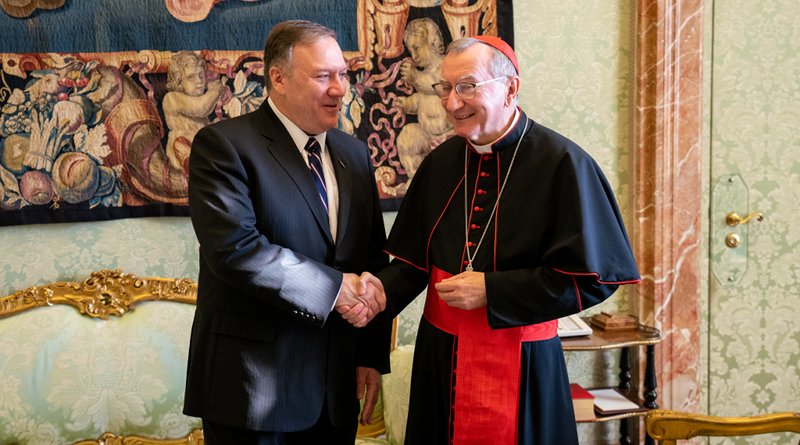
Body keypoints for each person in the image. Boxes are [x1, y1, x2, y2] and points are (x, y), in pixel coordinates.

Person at [371, 36, 641, 445]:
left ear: (510, 87)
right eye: (445, 88)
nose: (451, 103)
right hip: (442, 359)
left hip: (524, 362)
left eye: (467, 86)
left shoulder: (563, 164)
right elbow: (411, 263)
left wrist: (493, 290)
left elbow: (594, 279)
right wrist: (370, 297)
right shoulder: (441, 162)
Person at [183, 20, 390, 445]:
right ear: (277, 77)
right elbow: (236, 251)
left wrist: (369, 356)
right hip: (254, 392)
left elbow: (370, 259)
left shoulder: (354, 153)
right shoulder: (224, 146)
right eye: (323, 76)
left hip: (335, 393)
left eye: (342, 75)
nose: (339, 89)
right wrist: (336, 290)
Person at [162, 51, 226, 173]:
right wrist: (214, 92)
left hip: (200, 149)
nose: (199, 81)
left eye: (201, 75)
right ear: (179, 81)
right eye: (191, 77)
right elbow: (201, 108)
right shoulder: (172, 98)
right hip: (182, 152)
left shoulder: (200, 98)